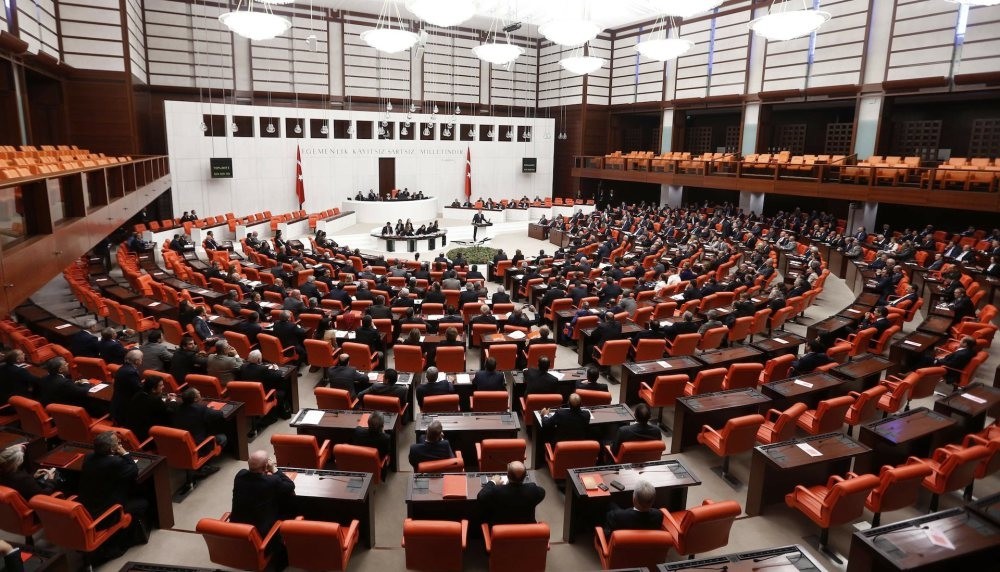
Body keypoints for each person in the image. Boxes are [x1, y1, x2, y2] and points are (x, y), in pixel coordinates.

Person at [79, 431, 148, 547]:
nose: (120, 445)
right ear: (111, 450)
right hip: (107, 514)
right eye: (118, 443)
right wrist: (125, 454)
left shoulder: (88, 457)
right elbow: (133, 470)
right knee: (143, 503)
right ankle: (125, 539)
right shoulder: (115, 462)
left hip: (89, 509)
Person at [230, 450, 296, 537]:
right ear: (266, 466)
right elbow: (290, 486)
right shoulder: (272, 481)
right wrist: (274, 469)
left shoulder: (240, 475)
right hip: (259, 534)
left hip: (234, 530)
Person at [477, 461, 546, 526]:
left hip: (501, 531)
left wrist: (493, 481)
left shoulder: (497, 490)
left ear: (507, 475)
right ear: (525, 477)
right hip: (527, 532)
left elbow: (481, 496)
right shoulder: (532, 489)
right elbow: (542, 492)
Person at [110, 350, 143, 423]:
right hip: (125, 408)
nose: (142, 360)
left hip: (117, 403)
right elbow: (138, 389)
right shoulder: (131, 372)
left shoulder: (123, 368)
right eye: (141, 358)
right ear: (137, 361)